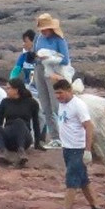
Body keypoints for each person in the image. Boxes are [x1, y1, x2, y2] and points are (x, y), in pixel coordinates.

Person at [50, 79, 104, 209]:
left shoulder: (78, 105)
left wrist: (87, 150)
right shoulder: (62, 104)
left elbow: (89, 126)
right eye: (56, 93)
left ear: (69, 91)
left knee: (72, 182)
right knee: (83, 181)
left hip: (77, 149)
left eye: (60, 93)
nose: (58, 96)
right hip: (67, 148)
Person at [33, 14, 71, 146]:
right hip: (40, 70)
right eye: (42, 30)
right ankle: (54, 137)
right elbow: (34, 55)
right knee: (45, 105)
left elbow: (65, 59)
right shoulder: (38, 39)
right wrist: (39, 58)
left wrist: (50, 58)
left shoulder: (59, 40)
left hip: (54, 72)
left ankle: (64, 135)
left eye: (46, 29)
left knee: (56, 105)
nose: (43, 32)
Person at [0, 78, 41, 167]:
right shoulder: (5, 102)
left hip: (23, 136)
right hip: (8, 137)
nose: (6, 91)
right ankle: (2, 151)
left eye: (8, 88)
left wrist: (37, 143)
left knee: (19, 122)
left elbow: (36, 123)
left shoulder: (31, 102)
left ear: (16, 90)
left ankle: (21, 151)